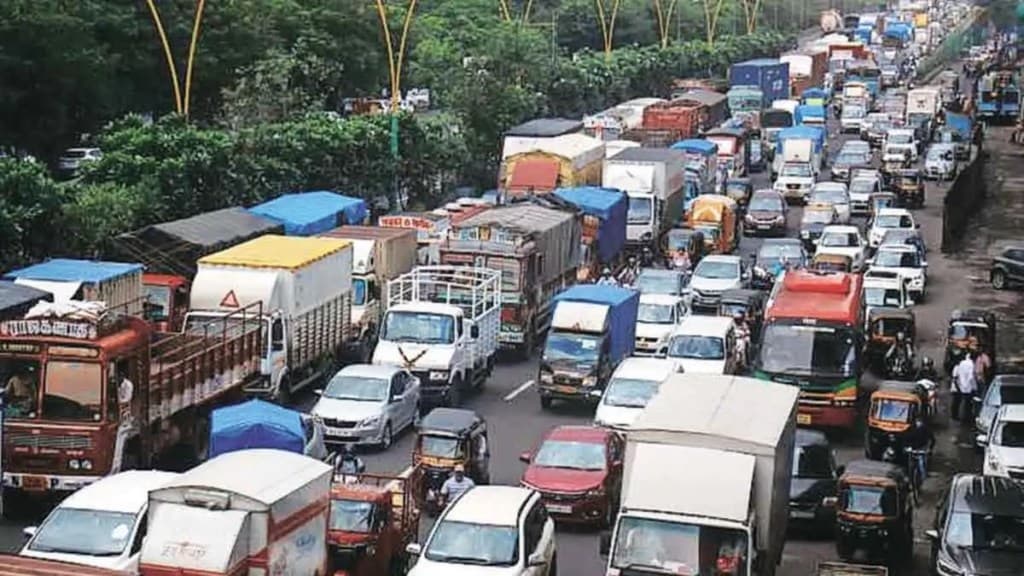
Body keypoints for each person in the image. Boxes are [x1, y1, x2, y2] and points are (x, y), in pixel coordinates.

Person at [906, 417, 935, 486]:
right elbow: (906, 438)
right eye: (918, 422)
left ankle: (924, 478)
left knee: (922, 464)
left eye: (920, 422)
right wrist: (907, 447)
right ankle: (910, 481)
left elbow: (932, 439)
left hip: (922, 449)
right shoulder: (911, 428)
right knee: (911, 466)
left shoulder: (926, 429)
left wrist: (929, 449)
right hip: (912, 449)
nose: (919, 423)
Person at [951, 351, 977, 422]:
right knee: (959, 402)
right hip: (960, 388)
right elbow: (956, 378)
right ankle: (956, 416)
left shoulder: (961, 365)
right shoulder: (958, 367)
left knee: (963, 403)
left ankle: (963, 416)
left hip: (962, 387)